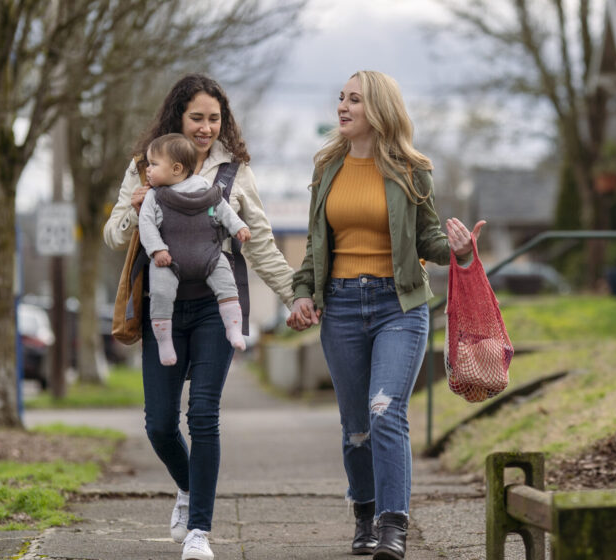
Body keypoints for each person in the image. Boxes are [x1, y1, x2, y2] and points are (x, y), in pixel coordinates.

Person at [288, 70, 484, 560]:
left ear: (378, 108)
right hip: (341, 307)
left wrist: (459, 250)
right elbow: (316, 244)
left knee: (384, 411)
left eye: (354, 99)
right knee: (355, 425)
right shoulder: (326, 166)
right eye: (341, 98)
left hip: (398, 305)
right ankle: (364, 511)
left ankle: (392, 524)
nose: (343, 107)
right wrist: (302, 293)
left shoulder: (411, 168)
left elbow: (427, 238)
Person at [104, 74, 297, 560]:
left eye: (215, 118)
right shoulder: (145, 166)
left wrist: (297, 297)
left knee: (203, 414)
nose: (207, 128)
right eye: (197, 118)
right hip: (162, 308)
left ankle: (199, 532)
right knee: (160, 425)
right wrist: (134, 208)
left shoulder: (234, 174)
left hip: (216, 307)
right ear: (178, 118)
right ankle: (190, 489)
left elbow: (264, 247)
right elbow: (112, 234)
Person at [139, 133, 251, 359]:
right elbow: (146, 224)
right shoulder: (154, 196)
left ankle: (233, 329)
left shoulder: (205, 189)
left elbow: (223, 210)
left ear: (177, 168)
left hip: (208, 256)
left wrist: (238, 227)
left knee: (228, 285)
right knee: (160, 293)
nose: (148, 169)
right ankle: (164, 343)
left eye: (153, 164)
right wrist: (157, 249)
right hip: (168, 261)